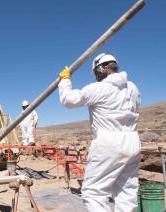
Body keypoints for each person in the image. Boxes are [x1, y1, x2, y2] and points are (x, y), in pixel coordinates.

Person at [58, 53, 141, 212]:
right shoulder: (133, 88)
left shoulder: (97, 88)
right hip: (132, 140)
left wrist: (65, 81)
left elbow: (69, 100)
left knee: (93, 193)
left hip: (108, 142)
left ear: (100, 69)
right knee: (127, 192)